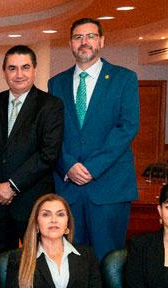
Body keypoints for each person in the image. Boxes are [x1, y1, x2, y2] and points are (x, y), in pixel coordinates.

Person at [48, 18, 139, 261]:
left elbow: (127, 127)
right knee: (70, 261)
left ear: (101, 41)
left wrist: (92, 167)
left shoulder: (124, 78)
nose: (84, 42)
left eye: (90, 36)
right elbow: (51, 133)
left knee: (108, 262)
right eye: (78, 37)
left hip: (109, 188)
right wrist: (67, 165)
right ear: (70, 43)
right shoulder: (56, 84)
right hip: (68, 189)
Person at [0, 45, 63, 283]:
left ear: (34, 70)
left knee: (36, 267)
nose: (19, 74)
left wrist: (12, 186)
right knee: (0, 265)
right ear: (4, 72)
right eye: (12, 68)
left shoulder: (50, 105)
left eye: (25, 67)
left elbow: (48, 154)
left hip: (32, 203)